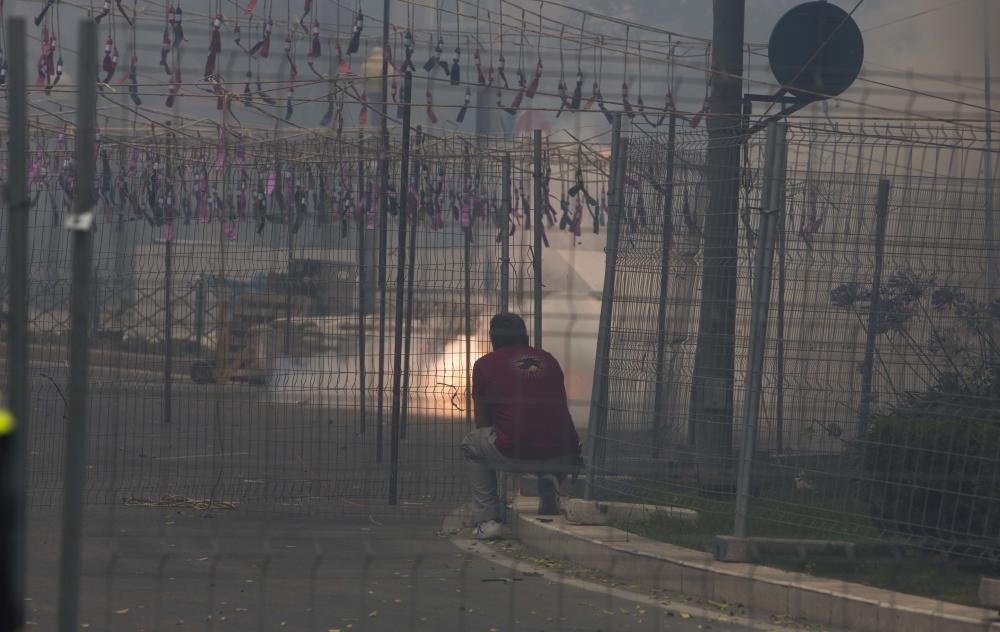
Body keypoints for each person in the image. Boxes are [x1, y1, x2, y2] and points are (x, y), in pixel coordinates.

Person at [461, 313, 582, 539]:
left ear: (493, 339)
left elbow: (482, 423)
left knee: (471, 442)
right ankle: (551, 480)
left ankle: (487, 519)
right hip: (565, 454)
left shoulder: (484, 365)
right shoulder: (549, 359)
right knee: (547, 430)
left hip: (516, 451)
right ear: (525, 337)